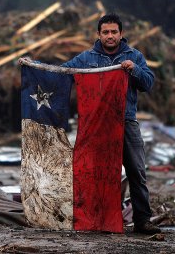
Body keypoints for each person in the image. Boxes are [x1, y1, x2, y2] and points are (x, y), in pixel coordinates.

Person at [62, 13, 161, 234]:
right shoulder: (86, 59)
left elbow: (148, 83)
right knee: (97, 173)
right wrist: (33, 67)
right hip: (97, 126)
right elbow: (62, 73)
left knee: (136, 171)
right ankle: (101, 220)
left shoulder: (133, 55)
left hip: (126, 122)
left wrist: (133, 69)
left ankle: (142, 220)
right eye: (105, 32)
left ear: (121, 34)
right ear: (98, 34)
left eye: (114, 32)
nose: (110, 36)